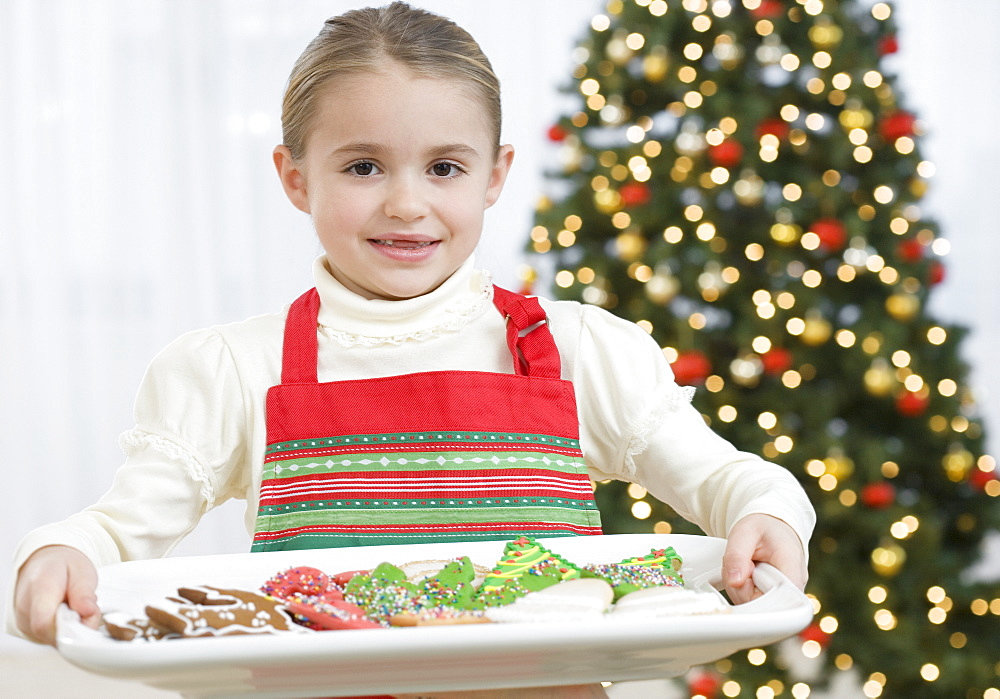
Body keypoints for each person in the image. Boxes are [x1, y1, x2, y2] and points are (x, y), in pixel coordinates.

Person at [9, 1, 814, 686]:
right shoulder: (231, 369)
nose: (405, 203)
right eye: (362, 166)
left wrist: (766, 511)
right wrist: (62, 551)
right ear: (295, 177)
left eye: (443, 168)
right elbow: (120, 527)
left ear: (495, 175)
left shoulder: (575, 351)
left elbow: (721, 479)